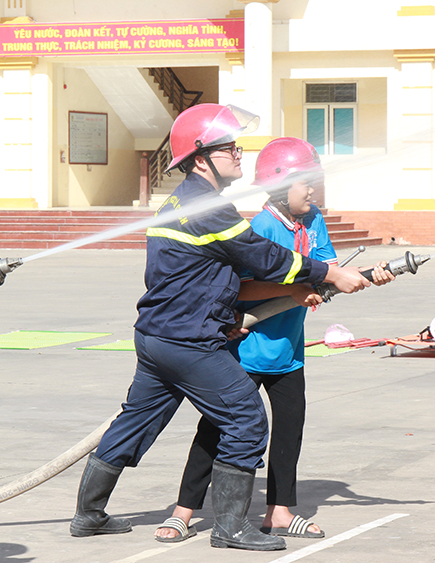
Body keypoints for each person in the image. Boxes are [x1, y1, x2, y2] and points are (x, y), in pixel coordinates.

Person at [68, 104, 370, 552]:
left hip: (157, 337)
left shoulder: (183, 201)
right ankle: (230, 526)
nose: (238, 154)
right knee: (246, 419)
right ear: (200, 156)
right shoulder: (205, 207)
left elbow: (229, 275)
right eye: (228, 148)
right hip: (189, 341)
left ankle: (89, 514)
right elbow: (262, 257)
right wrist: (326, 274)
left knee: (137, 421)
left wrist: (292, 292)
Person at [154, 137, 395, 544]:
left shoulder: (313, 219)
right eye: (306, 184)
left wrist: (370, 274)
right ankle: (184, 512)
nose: (313, 191)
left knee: (289, 431)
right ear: (282, 188)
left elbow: (328, 270)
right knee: (215, 430)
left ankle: (279, 512)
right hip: (246, 350)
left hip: (289, 349)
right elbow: (243, 287)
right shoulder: (261, 227)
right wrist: (299, 289)